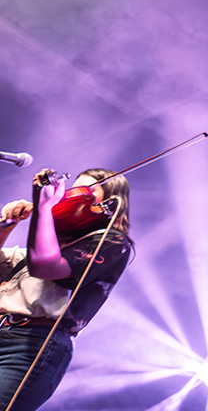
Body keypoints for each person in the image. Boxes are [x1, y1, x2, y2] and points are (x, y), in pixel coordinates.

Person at [0, 168, 133, 410]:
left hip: (32, 343)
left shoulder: (110, 241)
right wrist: (5, 225)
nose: (73, 197)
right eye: (71, 192)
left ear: (111, 202)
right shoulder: (41, 245)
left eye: (88, 191)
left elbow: (45, 265)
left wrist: (42, 208)